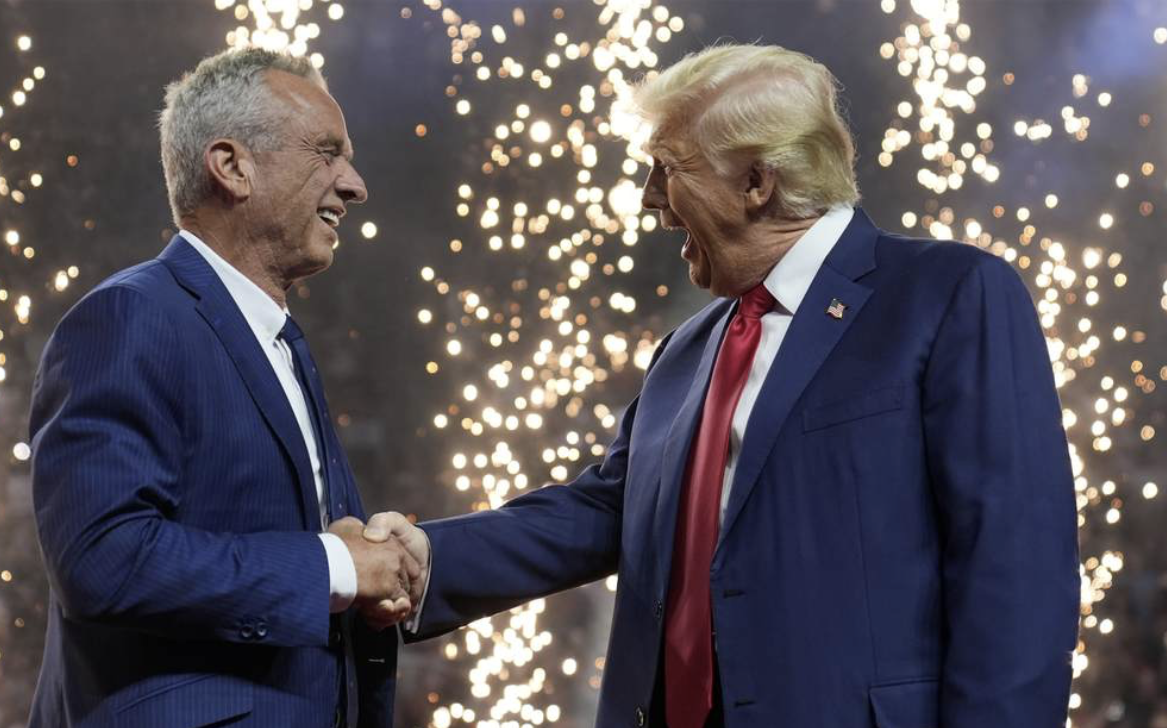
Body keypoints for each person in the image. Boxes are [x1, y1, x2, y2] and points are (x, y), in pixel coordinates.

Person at [366, 44, 1080, 727]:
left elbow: (1017, 576)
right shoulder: (689, 347)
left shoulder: (946, 295)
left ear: (756, 182)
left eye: (666, 168)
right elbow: (606, 511)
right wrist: (423, 557)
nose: (650, 199)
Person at [28, 48, 418, 728]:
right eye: (327, 153)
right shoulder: (131, 316)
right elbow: (103, 559)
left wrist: (360, 564)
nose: (354, 185)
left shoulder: (282, 347)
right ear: (232, 166)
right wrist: (333, 564)